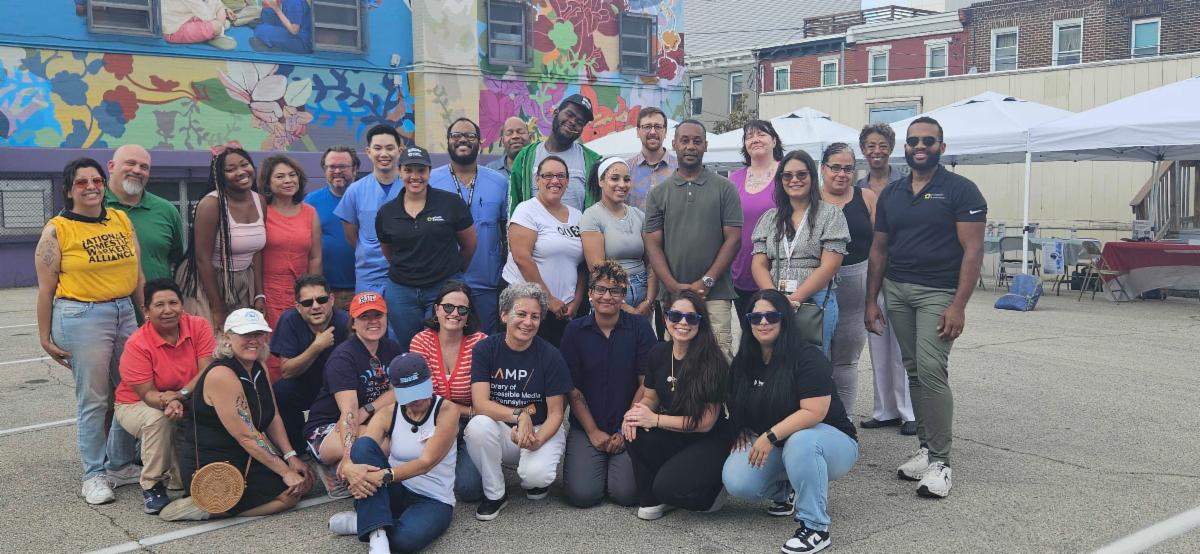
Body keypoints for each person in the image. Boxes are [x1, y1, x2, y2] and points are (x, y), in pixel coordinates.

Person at [865, 116, 986, 498]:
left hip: (938, 292)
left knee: (932, 369)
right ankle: (925, 446)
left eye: (928, 141)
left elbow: (973, 251)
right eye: (914, 141)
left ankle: (941, 462)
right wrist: (871, 300)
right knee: (914, 369)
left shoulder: (961, 190)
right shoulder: (893, 192)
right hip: (897, 289)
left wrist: (959, 305)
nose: (920, 146)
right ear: (906, 147)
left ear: (941, 148)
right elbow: (879, 249)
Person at [36, 158, 144, 505]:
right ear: (69, 190)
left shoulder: (121, 219)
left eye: (96, 180)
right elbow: (45, 290)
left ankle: (121, 465)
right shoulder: (57, 230)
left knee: (131, 390)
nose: (91, 187)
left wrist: (145, 316)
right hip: (82, 314)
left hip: (124, 311)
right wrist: (44, 337)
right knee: (95, 399)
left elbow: (137, 275)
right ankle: (94, 475)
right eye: (81, 182)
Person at [722, 289, 858, 554]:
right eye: (756, 317)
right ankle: (786, 491)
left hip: (830, 442)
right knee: (738, 481)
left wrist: (769, 436)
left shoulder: (807, 357)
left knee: (801, 441)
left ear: (785, 318)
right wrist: (740, 428)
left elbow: (814, 412)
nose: (763, 322)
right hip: (781, 444)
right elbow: (736, 402)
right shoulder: (745, 360)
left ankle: (815, 527)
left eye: (772, 316)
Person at [159, 308, 314, 521]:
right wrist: (285, 471)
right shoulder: (221, 374)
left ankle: (222, 503)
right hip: (215, 466)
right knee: (289, 496)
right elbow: (246, 436)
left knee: (306, 483)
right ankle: (210, 507)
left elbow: (273, 416)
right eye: (245, 334)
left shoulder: (259, 367)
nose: (253, 340)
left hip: (245, 455)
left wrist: (290, 456)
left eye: (258, 334)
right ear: (227, 338)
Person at [326, 354, 459, 554]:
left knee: (404, 541)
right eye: (409, 393)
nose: (417, 399)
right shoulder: (387, 413)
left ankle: (364, 522)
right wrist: (349, 467)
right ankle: (377, 535)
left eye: (420, 390)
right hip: (395, 490)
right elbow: (362, 450)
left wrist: (382, 476)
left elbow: (426, 462)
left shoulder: (447, 411)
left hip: (433, 498)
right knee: (362, 446)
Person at [463, 283, 572, 521]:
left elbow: (556, 413)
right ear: (504, 315)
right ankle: (495, 494)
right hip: (502, 429)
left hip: (540, 428)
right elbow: (480, 403)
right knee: (477, 426)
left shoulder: (551, 355)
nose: (528, 322)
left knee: (536, 478)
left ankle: (534, 479)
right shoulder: (485, 349)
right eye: (520, 314)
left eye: (535, 316)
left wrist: (537, 440)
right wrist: (519, 415)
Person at [622, 291, 733, 520]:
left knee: (670, 488)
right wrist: (637, 413)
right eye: (675, 316)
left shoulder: (713, 361)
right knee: (634, 430)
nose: (683, 323)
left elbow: (704, 423)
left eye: (691, 318)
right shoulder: (658, 353)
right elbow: (650, 398)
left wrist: (655, 419)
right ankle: (651, 497)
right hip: (675, 431)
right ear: (666, 319)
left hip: (708, 439)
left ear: (701, 323)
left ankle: (713, 490)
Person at [114, 279, 215, 515]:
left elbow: (206, 371)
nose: (168, 310)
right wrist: (170, 401)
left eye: (173, 303)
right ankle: (152, 485)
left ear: (182, 305)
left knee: (180, 482)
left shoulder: (199, 326)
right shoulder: (137, 343)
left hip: (183, 397)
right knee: (159, 420)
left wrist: (180, 396)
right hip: (137, 403)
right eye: (159, 305)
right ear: (146, 311)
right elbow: (147, 394)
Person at [560, 261, 656, 508]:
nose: (607, 296)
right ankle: (595, 462)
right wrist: (593, 431)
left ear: (624, 295)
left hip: (630, 424)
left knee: (627, 494)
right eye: (600, 289)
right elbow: (573, 389)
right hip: (587, 425)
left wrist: (625, 429)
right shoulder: (575, 331)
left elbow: (646, 384)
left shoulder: (640, 328)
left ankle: (614, 466)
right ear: (590, 293)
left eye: (615, 291)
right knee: (582, 495)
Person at [643, 120, 742, 358]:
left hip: (716, 294)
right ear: (674, 144)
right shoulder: (658, 193)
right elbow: (652, 245)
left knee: (719, 358)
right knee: (678, 360)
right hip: (673, 297)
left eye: (697, 141)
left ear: (705, 146)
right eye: (684, 140)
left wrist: (707, 281)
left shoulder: (725, 188)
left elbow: (734, 240)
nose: (690, 146)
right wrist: (673, 286)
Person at [375, 145, 477, 349]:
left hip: (443, 286)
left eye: (421, 170)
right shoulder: (387, 212)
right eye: (408, 170)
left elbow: (469, 246)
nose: (415, 176)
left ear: (430, 172)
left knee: (444, 344)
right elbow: (389, 252)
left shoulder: (450, 203)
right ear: (400, 172)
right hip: (402, 291)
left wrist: (453, 274)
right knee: (410, 347)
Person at [750, 150, 849, 356]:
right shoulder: (769, 218)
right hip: (774, 302)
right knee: (774, 361)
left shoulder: (830, 214)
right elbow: (758, 264)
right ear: (781, 180)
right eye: (787, 175)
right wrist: (775, 299)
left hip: (815, 300)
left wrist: (793, 300)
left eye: (801, 174)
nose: (794, 180)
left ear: (812, 177)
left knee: (812, 363)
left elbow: (830, 266)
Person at [304, 291, 402, 498]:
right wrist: (349, 457)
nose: (373, 321)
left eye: (378, 315)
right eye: (364, 316)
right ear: (354, 323)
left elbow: (399, 391)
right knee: (382, 445)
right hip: (328, 427)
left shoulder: (392, 348)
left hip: (368, 418)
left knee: (399, 442)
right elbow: (349, 412)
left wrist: (368, 408)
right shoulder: (343, 357)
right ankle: (335, 467)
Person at [857, 123, 915, 435]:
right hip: (869, 271)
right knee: (877, 341)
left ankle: (909, 411)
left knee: (903, 343)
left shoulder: (907, 183)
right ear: (863, 150)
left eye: (882, 145)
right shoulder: (856, 186)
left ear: (891, 148)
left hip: (901, 270)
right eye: (870, 145)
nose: (876, 151)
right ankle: (884, 410)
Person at [408, 280, 488, 502]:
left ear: (468, 315)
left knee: (469, 489)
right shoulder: (421, 341)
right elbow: (420, 396)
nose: (455, 314)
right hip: (432, 422)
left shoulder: (481, 343)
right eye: (448, 307)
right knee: (417, 478)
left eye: (462, 309)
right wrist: (466, 409)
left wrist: (468, 413)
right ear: (436, 309)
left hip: (472, 425)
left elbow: (485, 397)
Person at [431, 118, 509, 334]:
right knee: (446, 338)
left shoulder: (499, 182)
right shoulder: (431, 181)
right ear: (447, 141)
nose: (463, 139)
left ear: (480, 142)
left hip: (486, 280)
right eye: (456, 135)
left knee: (485, 338)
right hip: (443, 282)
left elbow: (506, 232)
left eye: (470, 135)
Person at [177, 143, 266, 333]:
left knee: (243, 339)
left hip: (243, 281)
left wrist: (259, 294)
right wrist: (218, 308)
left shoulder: (260, 201)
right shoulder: (211, 204)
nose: (241, 172)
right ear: (220, 175)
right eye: (230, 169)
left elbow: (257, 251)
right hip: (208, 281)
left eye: (245, 164)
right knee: (213, 340)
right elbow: (202, 258)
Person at [502, 156, 585, 346]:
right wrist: (547, 299)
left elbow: (583, 264)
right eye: (548, 175)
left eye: (560, 176)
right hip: (527, 308)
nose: (555, 181)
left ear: (567, 181)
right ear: (537, 180)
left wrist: (577, 300)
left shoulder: (577, 216)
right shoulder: (526, 210)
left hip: (564, 311)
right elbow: (522, 258)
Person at [821, 143, 877, 420]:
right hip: (817, 288)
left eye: (848, 169)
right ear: (823, 169)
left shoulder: (867, 197)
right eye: (835, 168)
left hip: (857, 290)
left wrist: (873, 298)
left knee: (846, 361)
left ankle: (845, 422)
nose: (841, 174)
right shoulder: (809, 198)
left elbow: (879, 248)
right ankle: (816, 417)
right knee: (817, 359)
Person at [270, 274, 350, 453]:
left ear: (331, 300)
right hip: (304, 385)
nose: (315, 306)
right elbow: (286, 371)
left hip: (336, 389)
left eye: (321, 300)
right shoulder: (289, 320)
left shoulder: (346, 322)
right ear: (298, 307)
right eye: (307, 302)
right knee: (282, 390)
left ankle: (338, 446)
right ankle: (297, 451)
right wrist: (317, 347)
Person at [260, 155, 322, 380]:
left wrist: (313, 295)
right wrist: (258, 295)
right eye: (280, 176)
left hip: (302, 294)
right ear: (268, 183)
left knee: (303, 344)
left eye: (292, 175)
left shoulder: (310, 212)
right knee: (271, 349)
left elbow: (315, 257)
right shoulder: (262, 212)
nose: (288, 180)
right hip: (269, 292)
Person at [335, 125, 404, 296]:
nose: (384, 154)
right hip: (369, 275)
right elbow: (351, 235)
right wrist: (367, 251)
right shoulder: (355, 190)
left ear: (400, 151)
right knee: (369, 314)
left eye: (390, 148)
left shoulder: (411, 187)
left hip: (405, 273)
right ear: (368, 152)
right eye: (377, 148)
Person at [581, 157, 655, 315]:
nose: (622, 184)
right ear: (601, 182)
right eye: (614, 178)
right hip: (610, 295)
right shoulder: (592, 216)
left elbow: (651, 263)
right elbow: (597, 269)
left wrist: (649, 301)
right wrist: (623, 306)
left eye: (626, 179)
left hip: (642, 292)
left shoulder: (638, 215)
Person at [508, 94, 601, 214]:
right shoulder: (525, 157)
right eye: (569, 114)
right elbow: (514, 207)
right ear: (556, 112)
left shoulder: (592, 161)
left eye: (580, 122)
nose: (573, 122)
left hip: (577, 227)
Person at [105, 145, 185, 284]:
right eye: (130, 163)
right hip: (105, 297)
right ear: (111, 167)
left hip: (155, 297)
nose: (137, 170)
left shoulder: (167, 211)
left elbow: (179, 263)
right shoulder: (91, 207)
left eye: (144, 167)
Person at [729, 120, 784, 316]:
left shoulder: (787, 175)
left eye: (761, 134)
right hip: (741, 270)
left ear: (774, 140)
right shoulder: (733, 179)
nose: (755, 139)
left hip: (777, 269)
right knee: (748, 329)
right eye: (749, 136)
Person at [306, 145, 360, 310]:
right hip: (325, 292)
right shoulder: (310, 202)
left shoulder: (367, 197)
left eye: (343, 166)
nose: (337, 171)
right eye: (331, 167)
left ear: (355, 169)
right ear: (324, 170)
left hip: (363, 287)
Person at [625, 107, 677, 210]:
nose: (653, 132)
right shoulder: (626, 169)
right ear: (638, 132)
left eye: (658, 126)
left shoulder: (679, 168)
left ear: (665, 131)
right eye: (647, 126)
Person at [161, 0, 237, 50]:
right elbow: (207, 16)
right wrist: (219, 17)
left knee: (220, 10)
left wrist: (223, 9)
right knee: (216, 26)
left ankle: (217, 31)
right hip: (174, 29)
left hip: (187, 15)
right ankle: (217, 33)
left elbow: (215, 3)